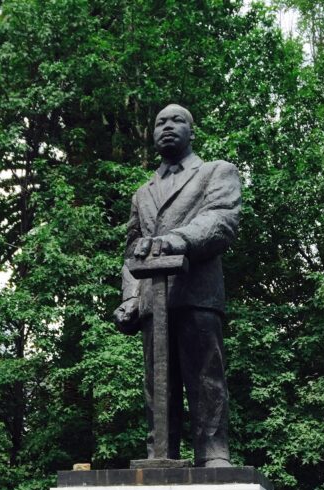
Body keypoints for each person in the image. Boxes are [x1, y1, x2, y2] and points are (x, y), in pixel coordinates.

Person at [113, 104, 241, 467]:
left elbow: (221, 220)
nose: (167, 127)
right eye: (159, 122)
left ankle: (213, 453)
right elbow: (131, 253)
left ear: (192, 131)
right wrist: (130, 299)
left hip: (197, 293)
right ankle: (160, 454)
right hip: (154, 299)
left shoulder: (216, 172)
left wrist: (176, 240)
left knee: (205, 376)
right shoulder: (143, 193)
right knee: (157, 384)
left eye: (176, 121)